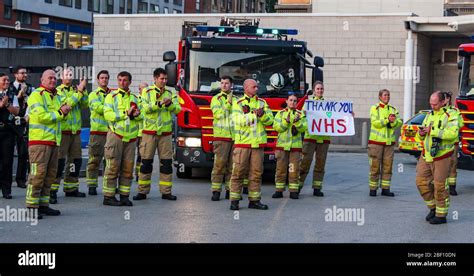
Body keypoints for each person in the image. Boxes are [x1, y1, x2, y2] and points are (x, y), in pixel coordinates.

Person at [25, 69, 70, 218]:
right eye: (49, 78)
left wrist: (64, 112)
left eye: (54, 78)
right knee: (37, 175)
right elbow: (41, 116)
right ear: (42, 80)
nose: (53, 80)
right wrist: (61, 113)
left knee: (49, 176)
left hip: (53, 142)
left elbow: (59, 118)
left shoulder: (55, 96)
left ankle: (43, 205)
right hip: (39, 143)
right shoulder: (36, 95)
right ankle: (32, 206)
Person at [133, 68, 181, 201]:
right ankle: (142, 192)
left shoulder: (170, 93)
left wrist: (170, 103)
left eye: (166, 79)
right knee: (146, 163)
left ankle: (166, 192)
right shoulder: (146, 92)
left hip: (165, 134)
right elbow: (144, 108)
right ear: (155, 79)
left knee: (166, 164)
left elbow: (178, 109)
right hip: (149, 133)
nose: (164, 81)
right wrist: (159, 104)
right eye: (162, 79)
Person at [229, 79, 273, 211]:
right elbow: (237, 120)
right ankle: (234, 201)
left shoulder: (262, 103)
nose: (256, 89)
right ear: (246, 88)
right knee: (238, 173)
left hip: (258, 145)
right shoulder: (238, 103)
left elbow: (270, 120)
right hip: (243, 144)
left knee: (256, 174)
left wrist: (263, 115)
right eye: (254, 87)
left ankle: (254, 201)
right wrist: (254, 114)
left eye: (257, 87)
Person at [416, 91, 459, 225]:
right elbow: (421, 136)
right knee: (421, 182)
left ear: (442, 102)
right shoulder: (428, 115)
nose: (432, 106)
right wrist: (421, 133)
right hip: (426, 155)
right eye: (431, 103)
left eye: (435, 104)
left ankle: (441, 215)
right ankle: (433, 208)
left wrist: (432, 131)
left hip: (442, 156)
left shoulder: (451, 114)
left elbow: (453, 134)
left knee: (440, 186)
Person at [102, 71, 142, 206]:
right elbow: (108, 115)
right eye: (119, 80)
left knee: (128, 169)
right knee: (112, 167)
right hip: (116, 136)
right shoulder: (111, 97)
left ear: (130, 82)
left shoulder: (136, 98)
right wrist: (126, 113)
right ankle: (108, 196)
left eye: (125, 80)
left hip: (130, 139)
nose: (122, 83)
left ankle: (124, 196)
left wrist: (137, 114)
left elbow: (143, 117)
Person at [50, 69, 88, 204]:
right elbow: (68, 105)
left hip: (75, 132)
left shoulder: (75, 90)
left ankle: (71, 187)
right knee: (59, 163)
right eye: (66, 75)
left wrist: (83, 91)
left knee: (74, 161)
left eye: (71, 75)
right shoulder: (57, 91)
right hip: (63, 132)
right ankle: (52, 190)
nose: (69, 77)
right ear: (61, 77)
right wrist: (79, 92)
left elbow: (85, 104)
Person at [367, 89, 402, 197]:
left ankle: (385, 189)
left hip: (389, 144)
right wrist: (387, 120)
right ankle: (373, 189)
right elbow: (375, 123)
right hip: (376, 143)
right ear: (380, 97)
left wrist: (393, 122)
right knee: (375, 166)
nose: (387, 97)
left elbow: (399, 122)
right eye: (385, 95)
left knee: (388, 167)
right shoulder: (374, 108)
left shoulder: (393, 109)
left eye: (388, 95)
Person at [299, 81, 330, 197]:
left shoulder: (328, 104)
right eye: (317, 89)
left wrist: (347, 114)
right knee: (305, 163)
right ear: (314, 90)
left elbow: (336, 117)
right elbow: (301, 118)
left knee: (320, 164)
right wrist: (305, 114)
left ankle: (317, 188)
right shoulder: (308, 104)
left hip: (324, 139)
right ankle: (297, 187)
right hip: (310, 138)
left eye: (321, 89)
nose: (320, 91)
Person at [272, 94, 306, 199]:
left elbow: (304, 127)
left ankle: (293, 191)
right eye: (290, 100)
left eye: (295, 101)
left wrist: (298, 123)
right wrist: (286, 122)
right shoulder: (280, 114)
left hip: (295, 148)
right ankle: (279, 190)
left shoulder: (301, 114)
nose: (293, 102)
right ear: (286, 101)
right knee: (280, 169)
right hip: (282, 147)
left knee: (294, 170)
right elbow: (276, 127)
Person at [9, 65, 34, 189]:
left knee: (23, 153)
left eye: (25, 73)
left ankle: (21, 179)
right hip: (9, 124)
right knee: (6, 154)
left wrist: (28, 116)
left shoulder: (30, 88)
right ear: (15, 74)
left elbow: (33, 104)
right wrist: (19, 95)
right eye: (22, 73)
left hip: (23, 124)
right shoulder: (10, 87)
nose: (24, 75)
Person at [86, 70, 111, 195]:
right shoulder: (93, 94)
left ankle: (109, 186)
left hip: (111, 133)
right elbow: (99, 109)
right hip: (97, 133)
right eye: (102, 78)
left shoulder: (113, 94)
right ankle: (92, 185)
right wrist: (112, 109)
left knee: (110, 161)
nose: (104, 80)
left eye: (106, 78)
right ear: (98, 80)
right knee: (94, 161)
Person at [210, 76, 235, 201]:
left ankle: (230, 190)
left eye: (227, 83)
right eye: (222, 83)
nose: (224, 85)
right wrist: (228, 104)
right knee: (219, 165)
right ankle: (216, 191)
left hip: (235, 138)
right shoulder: (216, 99)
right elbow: (218, 115)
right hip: (221, 138)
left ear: (231, 85)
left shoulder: (237, 100)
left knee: (232, 166)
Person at [0, 73, 20, 199]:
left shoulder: (12, 95)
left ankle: (7, 189)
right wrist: (1, 105)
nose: (7, 82)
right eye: (4, 80)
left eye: (8, 80)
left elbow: (17, 111)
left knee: (7, 161)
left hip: (8, 131)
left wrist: (7, 105)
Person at [442, 91, 464, 196]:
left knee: (453, 164)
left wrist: (452, 125)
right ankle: (443, 186)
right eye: (444, 98)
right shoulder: (439, 111)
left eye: (447, 98)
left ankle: (452, 187)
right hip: (441, 142)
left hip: (453, 142)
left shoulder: (455, 111)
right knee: (442, 165)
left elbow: (461, 123)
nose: (446, 100)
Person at [134, 82, 148, 182]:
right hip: (137, 133)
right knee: (137, 155)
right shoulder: (136, 100)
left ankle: (140, 174)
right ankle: (137, 174)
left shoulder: (149, 99)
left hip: (146, 132)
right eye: (142, 88)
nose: (143, 90)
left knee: (143, 155)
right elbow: (135, 116)